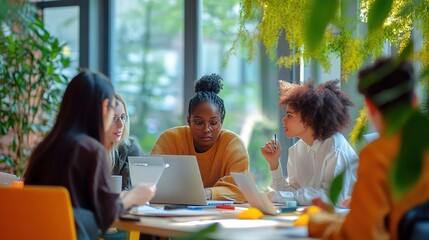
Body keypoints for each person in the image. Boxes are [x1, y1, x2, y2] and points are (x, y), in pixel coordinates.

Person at [308, 57, 429, 239]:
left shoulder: (379, 155)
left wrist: (319, 222)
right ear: (414, 100)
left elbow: (363, 235)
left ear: (370, 108)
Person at [24, 70, 156, 234]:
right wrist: (134, 197)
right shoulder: (90, 150)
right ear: (104, 107)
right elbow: (105, 217)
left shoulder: (43, 148)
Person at [151, 73, 249, 202]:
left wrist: (206, 193)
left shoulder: (233, 144)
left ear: (222, 122)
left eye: (213, 123)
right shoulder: (170, 139)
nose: (206, 129)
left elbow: (242, 190)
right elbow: (151, 179)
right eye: (199, 123)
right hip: (173, 210)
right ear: (188, 121)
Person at [260, 80, 359, 206]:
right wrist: (274, 164)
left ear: (309, 119)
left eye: (289, 115)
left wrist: (280, 196)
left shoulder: (335, 148)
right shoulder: (296, 149)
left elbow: (333, 198)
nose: (283, 120)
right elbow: (292, 193)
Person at [106, 93, 144, 191]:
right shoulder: (86, 149)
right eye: (113, 118)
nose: (121, 125)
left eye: (122, 117)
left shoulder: (131, 148)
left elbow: (132, 191)